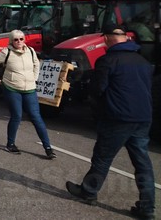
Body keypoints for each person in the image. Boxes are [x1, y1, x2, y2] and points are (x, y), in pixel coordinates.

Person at [66, 24, 155, 219]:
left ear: (106, 39)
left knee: (103, 157)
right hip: (143, 117)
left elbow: (98, 90)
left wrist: (97, 109)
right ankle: (147, 208)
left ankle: (89, 191)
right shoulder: (142, 60)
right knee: (143, 163)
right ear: (125, 38)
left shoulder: (107, 61)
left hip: (117, 117)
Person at [0, 29, 56, 159]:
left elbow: (36, 64)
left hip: (29, 88)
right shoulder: (6, 52)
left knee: (36, 117)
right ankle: (10, 144)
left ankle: (48, 148)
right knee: (17, 116)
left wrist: (34, 78)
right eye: (16, 40)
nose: (19, 42)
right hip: (12, 88)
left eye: (21, 39)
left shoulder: (30, 51)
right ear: (11, 41)